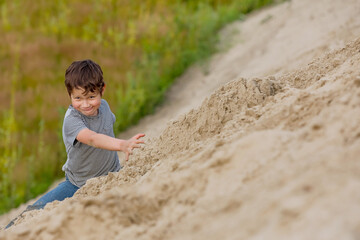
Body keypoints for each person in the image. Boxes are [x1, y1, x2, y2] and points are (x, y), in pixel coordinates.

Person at [5, 59, 145, 229]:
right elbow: (93, 138)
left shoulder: (105, 108)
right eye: (78, 98)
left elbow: (106, 130)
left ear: (102, 90)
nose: (85, 104)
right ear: (69, 95)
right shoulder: (72, 120)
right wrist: (122, 145)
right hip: (78, 184)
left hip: (112, 175)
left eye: (91, 97)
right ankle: (7, 231)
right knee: (34, 211)